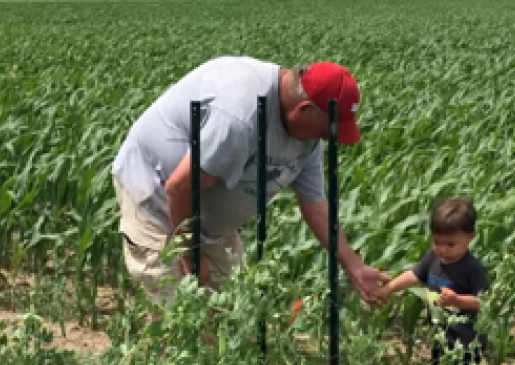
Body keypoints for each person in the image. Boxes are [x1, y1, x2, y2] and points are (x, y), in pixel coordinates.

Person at [111, 56, 388, 304]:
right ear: (303, 110)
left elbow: (315, 205)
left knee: (229, 314)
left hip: (208, 218)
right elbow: (180, 186)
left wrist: (355, 267)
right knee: (183, 315)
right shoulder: (240, 117)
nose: (328, 138)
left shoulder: (307, 136)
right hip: (159, 202)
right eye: (328, 130)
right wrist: (190, 251)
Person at [380, 196, 490, 365]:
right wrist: (388, 288)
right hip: (441, 335)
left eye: (450, 244)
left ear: (470, 238)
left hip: (466, 340)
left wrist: (458, 300)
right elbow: (413, 275)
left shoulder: (472, 268)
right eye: (437, 242)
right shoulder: (432, 258)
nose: (443, 249)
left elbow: (485, 302)